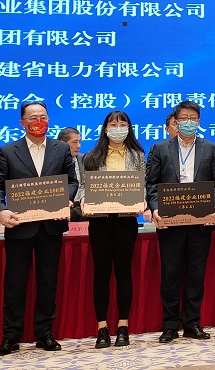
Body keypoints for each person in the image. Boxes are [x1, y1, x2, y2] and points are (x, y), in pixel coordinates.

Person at [0, 102, 79, 356]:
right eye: (33, 118)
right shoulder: (8, 151)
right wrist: (0, 210)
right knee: (15, 284)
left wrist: (67, 197)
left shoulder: (61, 149)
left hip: (51, 226)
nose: (39, 122)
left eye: (43, 117)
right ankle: (11, 336)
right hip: (19, 226)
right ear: (22, 123)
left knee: (48, 282)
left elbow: (72, 181)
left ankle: (44, 334)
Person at [144, 101, 215, 342]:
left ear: (198, 122)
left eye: (193, 119)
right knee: (170, 275)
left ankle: (192, 324)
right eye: (184, 118)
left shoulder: (211, 148)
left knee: (195, 275)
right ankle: (170, 325)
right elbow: (151, 184)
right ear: (176, 122)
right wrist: (155, 208)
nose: (189, 123)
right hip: (170, 222)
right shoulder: (160, 148)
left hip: (200, 222)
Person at [82, 111, 146, 348]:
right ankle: (102, 329)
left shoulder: (137, 155)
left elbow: (143, 184)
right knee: (101, 274)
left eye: (122, 124)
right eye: (113, 124)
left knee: (123, 273)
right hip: (99, 221)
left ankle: (123, 327)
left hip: (125, 221)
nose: (118, 128)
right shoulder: (91, 156)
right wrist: (83, 201)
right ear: (105, 128)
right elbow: (83, 187)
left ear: (129, 127)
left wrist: (142, 201)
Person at [58, 127, 86, 221]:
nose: (78, 146)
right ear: (62, 143)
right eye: (74, 142)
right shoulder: (53, 162)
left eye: (79, 142)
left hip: (81, 208)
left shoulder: (84, 159)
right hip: (61, 209)